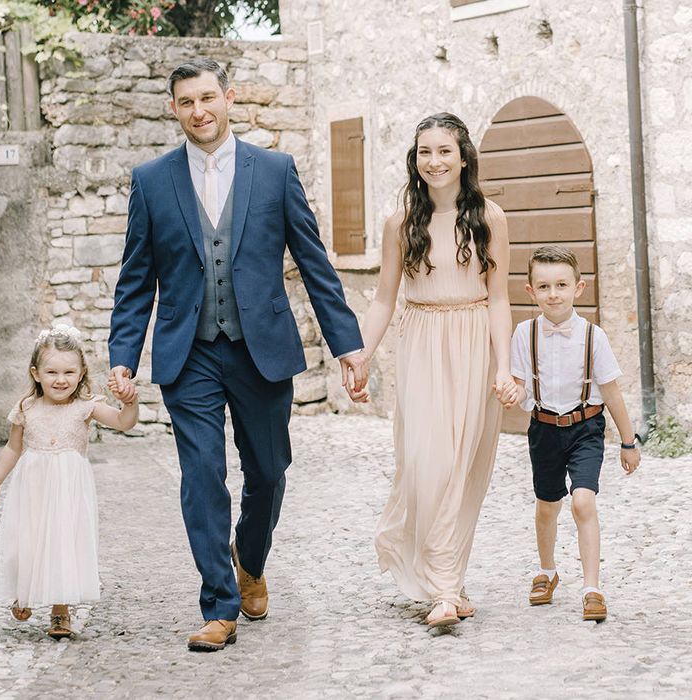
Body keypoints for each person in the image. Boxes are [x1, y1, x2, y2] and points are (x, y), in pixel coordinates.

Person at [108, 57, 367, 652]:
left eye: (207, 98)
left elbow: (314, 261)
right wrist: (123, 355)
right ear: (173, 108)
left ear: (229, 98)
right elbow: (135, 278)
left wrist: (347, 344)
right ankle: (219, 604)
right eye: (185, 102)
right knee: (202, 477)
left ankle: (250, 559)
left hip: (262, 351)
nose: (198, 111)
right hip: (189, 352)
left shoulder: (275, 171)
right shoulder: (151, 180)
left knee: (270, 473)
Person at [350, 113, 513, 627]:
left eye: (444, 151)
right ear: (415, 159)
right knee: (427, 464)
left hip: (472, 343)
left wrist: (504, 368)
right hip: (420, 341)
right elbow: (383, 298)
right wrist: (362, 353)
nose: (434, 162)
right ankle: (445, 583)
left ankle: (446, 586)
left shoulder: (490, 217)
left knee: (464, 467)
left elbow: (500, 298)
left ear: (464, 156)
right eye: (425, 152)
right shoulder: (401, 221)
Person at [500, 244, 640, 621]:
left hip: (585, 427)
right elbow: (521, 385)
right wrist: (513, 392)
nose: (553, 294)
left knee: (582, 501)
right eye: (543, 287)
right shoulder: (523, 334)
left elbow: (611, 391)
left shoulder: (594, 337)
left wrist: (628, 442)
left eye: (561, 285)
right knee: (547, 505)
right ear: (531, 292)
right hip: (544, 429)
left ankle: (592, 587)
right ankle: (547, 570)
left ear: (579, 287)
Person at [0, 324, 138, 639]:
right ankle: (23, 594)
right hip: (33, 487)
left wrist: (130, 402)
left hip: (69, 489)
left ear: (81, 373)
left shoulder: (86, 407)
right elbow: (13, 447)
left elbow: (124, 422)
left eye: (69, 372)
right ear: (36, 373)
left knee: (63, 544)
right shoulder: (27, 407)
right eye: (52, 372)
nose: (60, 379)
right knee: (28, 540)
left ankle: (60, 612)